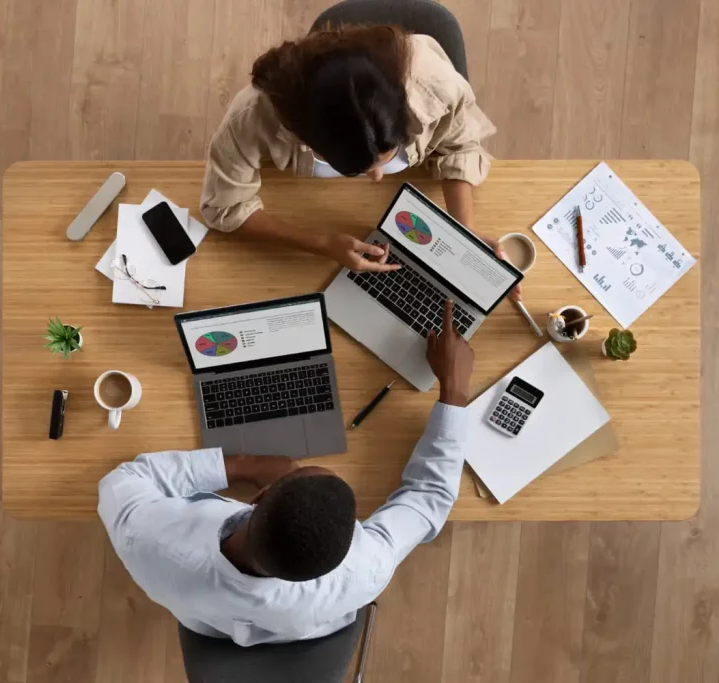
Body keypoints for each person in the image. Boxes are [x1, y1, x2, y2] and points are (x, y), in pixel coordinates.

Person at [98, 300, 474, 645]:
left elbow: (122, 481)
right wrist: (455, 390)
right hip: (296, 622)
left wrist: (246, 464)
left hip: (203, 612)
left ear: (258, 496)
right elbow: (429, 497)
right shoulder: (363, 571)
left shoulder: (150, 541)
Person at [199, 24, 519, 299]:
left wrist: (463, 232)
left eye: (387, 156)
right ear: (303, 139)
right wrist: (322, 243)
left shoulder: (437, 84)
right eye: (357, 169)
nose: (379, 177)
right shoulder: (252, 116)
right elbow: (224, 207)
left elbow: (461, 146)